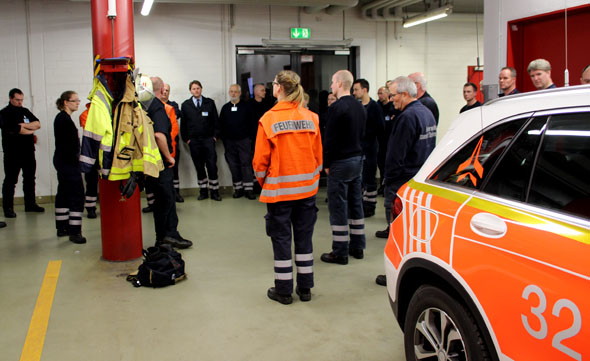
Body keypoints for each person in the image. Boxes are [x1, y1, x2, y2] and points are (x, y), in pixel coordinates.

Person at [253, 70, 322, 305]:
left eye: (273, 83)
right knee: (304, 239)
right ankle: (305, 289)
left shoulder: (268, 119)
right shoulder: (312, 117)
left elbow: (259, 163)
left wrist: (266, 183)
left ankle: (283, 291)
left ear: (279, 88)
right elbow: (318, 157)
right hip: (307, 191)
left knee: (281, 240)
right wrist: (310, 182)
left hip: (279, 192)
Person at [375, 76, 436, 285]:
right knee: (414, 231)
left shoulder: (407, 118)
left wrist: (387, 180)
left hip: (400, 182)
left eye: (392, 95)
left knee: (397, 231)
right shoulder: (426, 113)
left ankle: (395, 275)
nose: (391, 100)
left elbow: (395, 155)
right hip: (418, 180)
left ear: (405, 94)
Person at [320, 70, 366, 265]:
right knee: (356, 203)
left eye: (332, 82)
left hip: (340, 162)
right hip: (357, 160)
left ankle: (339, 251)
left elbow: (329, 138)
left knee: (338, 206)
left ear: (339, 83)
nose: (331, 86)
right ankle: (357, 246)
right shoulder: (360, 106)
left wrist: (327, 163)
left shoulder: (337, 108)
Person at [147, 77, 192, 249]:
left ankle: (162, 237)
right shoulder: (157, 107)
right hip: (161, 163)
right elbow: (160, 135)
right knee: (167, 199)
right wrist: (168, 156)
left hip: (151, 162)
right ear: (160, 90)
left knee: (160, 201)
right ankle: (169, 235)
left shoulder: (146, 106)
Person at [0, 88, 44, 218]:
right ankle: (8, 208)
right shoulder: (4, 113)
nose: (20, 102)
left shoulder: (25, 111)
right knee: (10, 180)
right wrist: (28, 129)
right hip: (12, 153)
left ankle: (30, 204)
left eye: (21, 100)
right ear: (10, 98)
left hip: (29, 151)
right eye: (17, 100)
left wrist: (24, 126)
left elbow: (38, 124)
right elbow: (18, 130)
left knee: (30, 178)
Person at [53, 91, 86, 244]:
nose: (77, 103)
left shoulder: (63, 118)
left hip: (63, 162)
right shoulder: (64, 120)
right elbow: (69, 146)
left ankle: (62, 227)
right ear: (66, 102)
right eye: (75, 100)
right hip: (69, 163)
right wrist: (77, 161)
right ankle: (75, 232)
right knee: (76, 195)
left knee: (63, 194)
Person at [180, 80, 221, 201]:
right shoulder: (186, 105)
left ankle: (214, 191)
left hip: (208, 140)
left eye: (198, 88)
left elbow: (216, 122)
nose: (196, 90)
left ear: (201, 89)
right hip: (194, 141)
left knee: (212, 166)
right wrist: (187, 139)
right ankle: (203, 191)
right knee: (199, 166)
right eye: (194, 89)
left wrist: (215, 137)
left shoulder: (209, 103)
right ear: (190, 91)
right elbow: (183, 125)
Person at [352, 78, 384, 217]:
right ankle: (359, 205)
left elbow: (380, 128)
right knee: (359, 178)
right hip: (358, 149)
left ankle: (370, 206)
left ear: (364, 90)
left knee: (369, 178)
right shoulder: (357, 106)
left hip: (370, 148)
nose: (354, 92)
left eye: (356, 89)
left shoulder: (375, 107)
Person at [219, 84, 256, 200]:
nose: (233, 93)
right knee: (233, 165)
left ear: (240, 93)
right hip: (230, 142)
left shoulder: (247, 107)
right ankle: (238, 189)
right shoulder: (225, 108)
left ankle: (249, 189)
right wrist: (224, 139)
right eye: (231, 91)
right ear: (229, 93)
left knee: (246, 164)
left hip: (244, 141)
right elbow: (221, 125)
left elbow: (252, 124)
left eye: (235, 91)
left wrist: (250, 139)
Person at [163, 83, 184, 203]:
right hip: (159, 144)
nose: (165, 92)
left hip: (173, 144)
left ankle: (176, 193)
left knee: (174, 170)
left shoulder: (173, 105)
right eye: (164, 90)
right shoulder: (156, 105)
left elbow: (175, 115)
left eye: (167, 90)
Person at [78, 102, 98, 219]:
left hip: (105, 149)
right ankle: (90, 208)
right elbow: (91, 131)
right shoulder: (85, 114)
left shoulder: (108, 111)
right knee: (91, 180)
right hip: (91, 150)